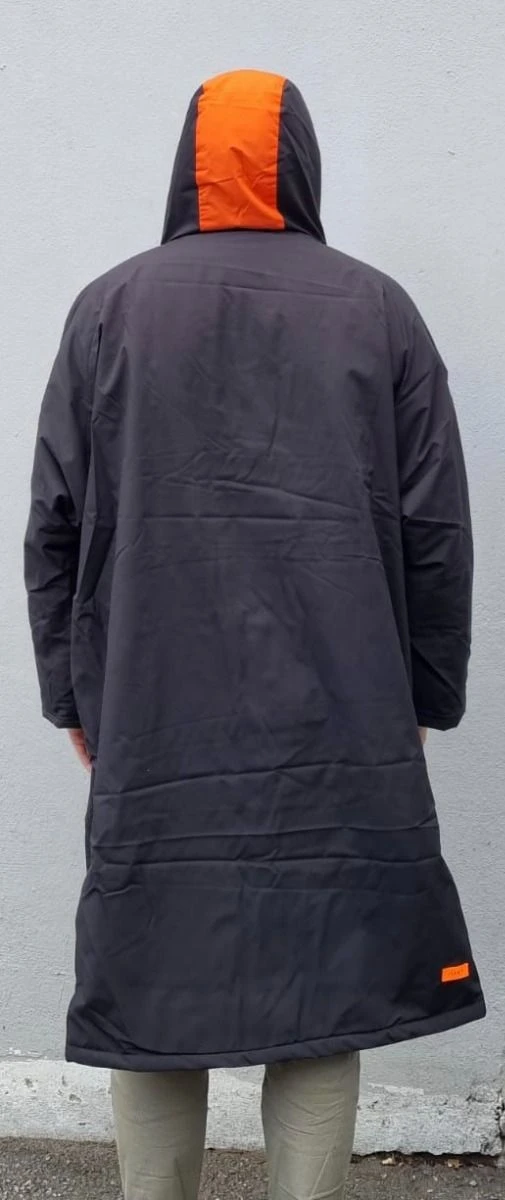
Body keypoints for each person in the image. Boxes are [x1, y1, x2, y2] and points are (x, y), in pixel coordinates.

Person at [25, 69, 485, 1200]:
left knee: (149, 965)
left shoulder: (109, 309)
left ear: (187, 165)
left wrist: (74, 694)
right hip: (343, 710)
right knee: (328, 973)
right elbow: (435, 528)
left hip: (154, 708)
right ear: (302, 164)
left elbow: (55, 525)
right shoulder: (378, 309)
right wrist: (423, 697)